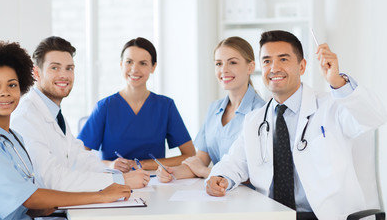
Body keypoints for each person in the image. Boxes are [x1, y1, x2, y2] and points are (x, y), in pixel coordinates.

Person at [205, 30, 387, 219]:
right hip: (274, 216)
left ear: (302, 66)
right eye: (267, 61)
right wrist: (220, 177)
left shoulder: (332, 106)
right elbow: (233, 162)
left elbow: (374, 117)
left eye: (283, 59)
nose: (274, 68)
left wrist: (338, 82)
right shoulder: (254, 120)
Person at [0, 41, 132, 220]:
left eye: (12, 85)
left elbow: (25, 196)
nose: (5, 92)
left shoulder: (12, 137)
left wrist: (44, 207)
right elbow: (29, 197)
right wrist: (101, 196)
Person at [11, 36, 149, 192]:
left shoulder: (54, 113)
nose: (64, 75)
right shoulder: (26, 117)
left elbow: (80, 158)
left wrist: (118, 174)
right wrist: (120, 180)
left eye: (69, 68)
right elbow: (51, 179)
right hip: (45, 214)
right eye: (55, 68)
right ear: (36, 73)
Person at [77, 37, 196, 171]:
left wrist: (143, 164)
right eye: (129, 62)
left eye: (143, 63)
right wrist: (110, 164)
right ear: (121, 64)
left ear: (153, 67)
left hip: (155, 182)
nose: (135, 69)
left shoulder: (165, 106)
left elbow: (190, 155)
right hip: (114, 181)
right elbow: (79, 157)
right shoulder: (105, 106)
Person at [156, 36, 264, 182]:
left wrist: (205, 171)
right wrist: (171, 172)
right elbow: (201, 159)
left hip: (250, 197)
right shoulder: (214, 109)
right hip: (218, 193)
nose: (224, 70)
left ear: (250, 67)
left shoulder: (261, 112)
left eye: (232, 62)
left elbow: (258, 174)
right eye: (218, 64)